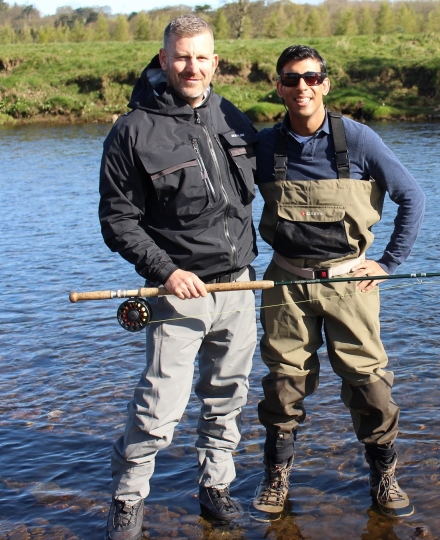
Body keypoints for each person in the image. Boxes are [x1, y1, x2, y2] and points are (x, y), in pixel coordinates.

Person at [98, 14, 258, 540]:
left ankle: (215, 488)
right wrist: (166, 272)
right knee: (158, 406)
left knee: (227, 396)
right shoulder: (132, 130)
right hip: (179, 291)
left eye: (202, 57)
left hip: (242, 285)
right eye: (182, 57)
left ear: (216, 61)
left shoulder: (230, 114)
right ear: (164, 60)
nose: (193, 67)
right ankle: (127, 500)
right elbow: (117, 221)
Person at [251, 45, 425, 520]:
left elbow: (412, 197)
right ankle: (276, 477)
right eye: (290, 79)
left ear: (326, 83)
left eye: (311, 77)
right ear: (279, 86)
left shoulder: (360, 140)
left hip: (353, 284)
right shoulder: (264, 146)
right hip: (285, 283)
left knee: (370, 385)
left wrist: (388, 263)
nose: (301, 86)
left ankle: (384, 475)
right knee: (283, 387)